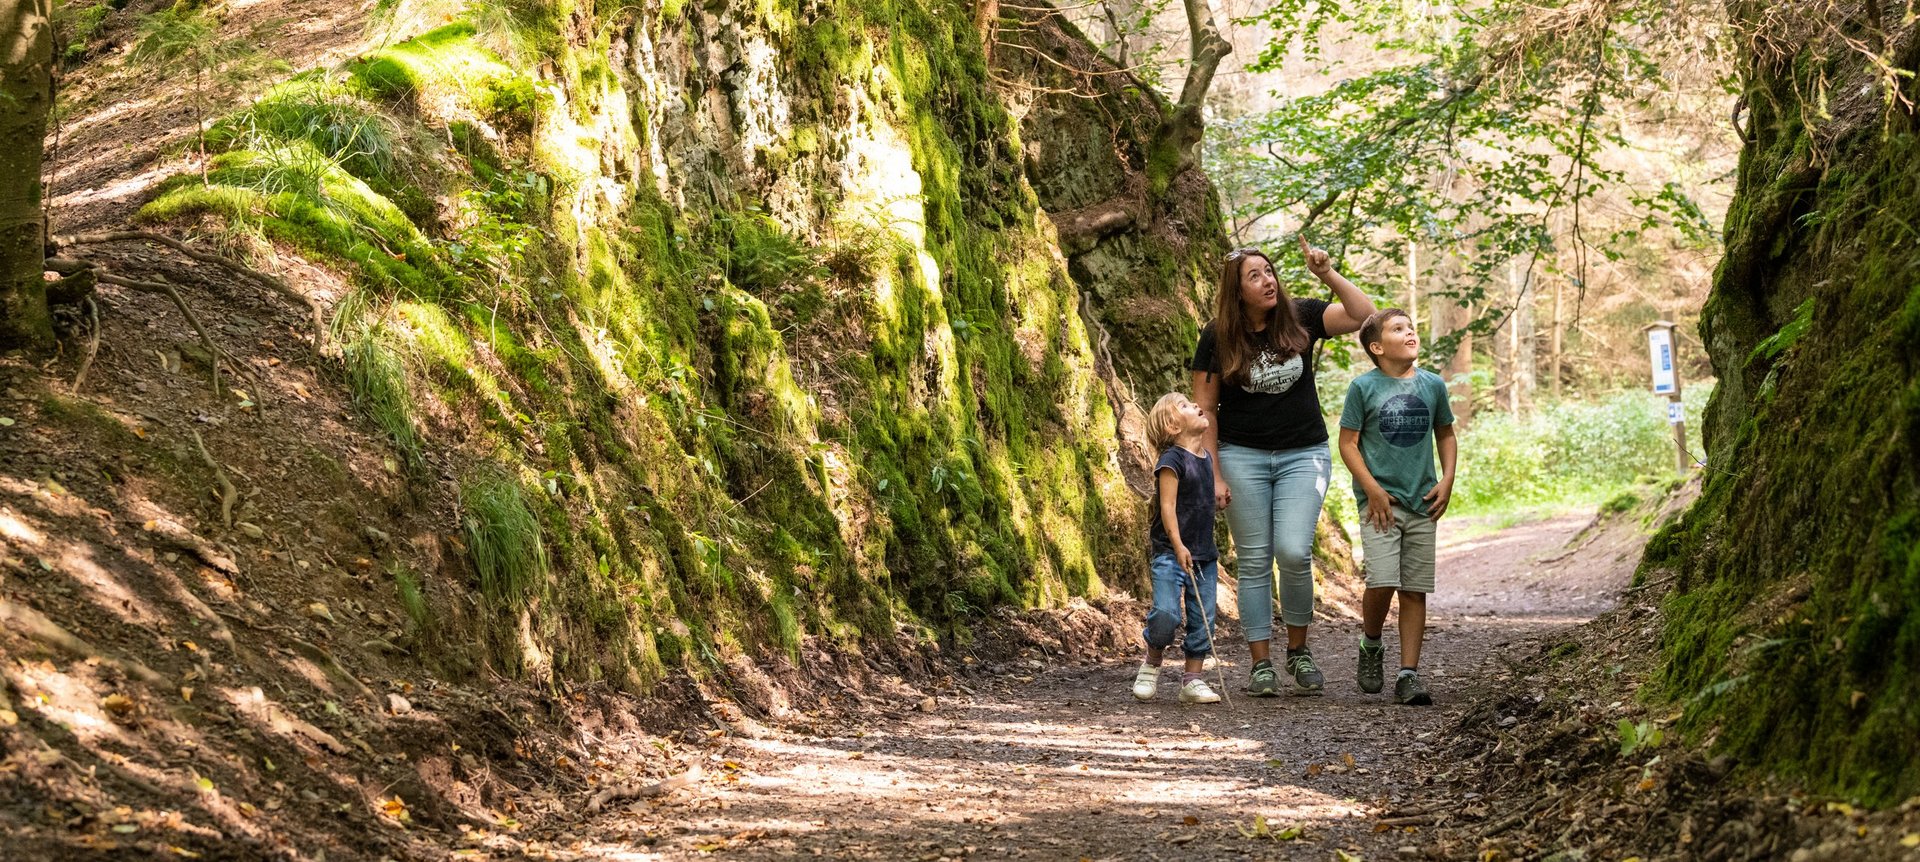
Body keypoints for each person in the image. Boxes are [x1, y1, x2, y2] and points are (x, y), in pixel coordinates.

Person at [1193, 236, 1376, 696]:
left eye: (1269, 271)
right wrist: (1213, 473)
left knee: (1294, 552)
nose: (1267, 280)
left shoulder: (1302, 316)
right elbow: (1205, 409)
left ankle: (1298, 650)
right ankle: (1261, 664)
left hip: (1303, 454)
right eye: (1254, 276)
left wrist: (1326, 273)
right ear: (1237, 291)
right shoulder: (1217, 336)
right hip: (1241, 456)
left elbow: (1363, 315)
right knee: (1254, 560)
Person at [1336, 308, 1457, 705]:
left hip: (1423, 501)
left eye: (1411, 327)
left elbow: (1446, 434)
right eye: (1398, 328)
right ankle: (1371, 641)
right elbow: (1348, 443)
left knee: (1414, 590)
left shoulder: (1433, 384)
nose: (1410, 333)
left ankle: (1409, 674)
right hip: (1380, 504)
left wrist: (1447, 479)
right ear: (1377, 347)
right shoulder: (1363, 388)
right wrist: (1371, 488)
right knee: (1382, 581)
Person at [1132, 393, 1224, 704]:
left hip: (1204, 555)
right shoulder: (1171, 460)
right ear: (1172, 426)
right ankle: (1152, 661)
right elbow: (1167, 507)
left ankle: (1192, 680)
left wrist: (1216, 500)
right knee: (1166, 613)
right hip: (1171, 553)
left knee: (1203, 620)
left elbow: (1197, 501)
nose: (1196, 405)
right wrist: (1178, 545)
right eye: (1184, 405)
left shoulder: (1206, 458)